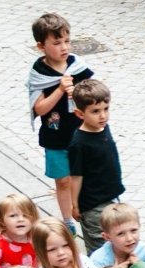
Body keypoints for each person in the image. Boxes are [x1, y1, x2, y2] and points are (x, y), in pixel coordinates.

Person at [26, 12, 97, 189]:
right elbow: (40, 109)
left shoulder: (77, 66)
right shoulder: (40, 74)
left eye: (67, 41)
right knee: (63, 181)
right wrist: (60, 89)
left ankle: (83, 212)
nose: (64, 47)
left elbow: (93, 96)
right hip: (55, 135)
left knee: (84, 176)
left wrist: (79, 94)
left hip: (81, 132)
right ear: (41, 46)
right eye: (57, 43)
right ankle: (67, 217)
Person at [58, 80, 127, 239]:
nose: (103, 115)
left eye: (106, 109)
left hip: (111, 198)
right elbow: (76, 176)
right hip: (93, 205)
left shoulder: (104, 128)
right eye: (95, 111)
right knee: (99, 244)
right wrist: (74, 205)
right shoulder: (79, 143)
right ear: (80, 114)